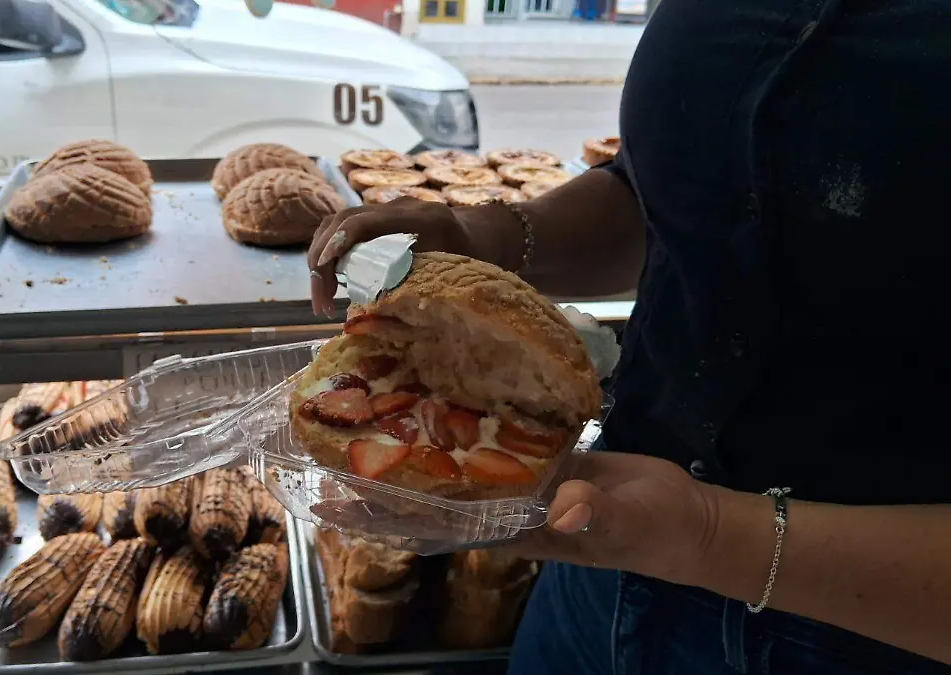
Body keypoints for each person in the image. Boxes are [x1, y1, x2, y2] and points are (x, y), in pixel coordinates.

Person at [307, 2, 951, 673]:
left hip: (866, 629)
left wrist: (710, 532)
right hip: (609, 559)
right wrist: (487, 237)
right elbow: (671, 198)